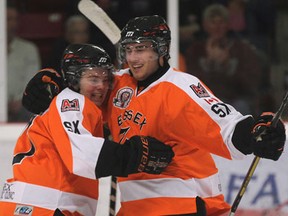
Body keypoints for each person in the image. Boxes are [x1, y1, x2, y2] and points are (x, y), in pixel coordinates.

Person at [21, 15, 286, 216]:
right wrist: (53, 81)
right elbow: (84, 88)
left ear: (160, 50)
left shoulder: (182, 88)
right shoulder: (118, 83)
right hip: (137, 207)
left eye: (142, 49)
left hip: (183, 203)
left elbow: (228, 126)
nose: (134, 58)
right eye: (129, 49)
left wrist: (256, 132)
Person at [0, 44, 174, 216]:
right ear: (74, 80)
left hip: (37, 206)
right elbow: (82, 157)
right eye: (93, 79)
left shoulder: (71, 106)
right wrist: (135, 155)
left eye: (106, 80)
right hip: (44, 207)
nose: (101, 86)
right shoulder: (71, 101)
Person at [185, 4, 268, 116]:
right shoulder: (195, 51)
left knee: (241, 107)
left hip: (235, 101)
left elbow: (251, 85)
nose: (217, 27)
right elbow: (190, 84)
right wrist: (211, 64)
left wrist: (227, 65)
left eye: (221, 22)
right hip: (205, 102)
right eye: (213, 22)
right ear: (205, 25)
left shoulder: (242, 49)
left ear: (228, 24)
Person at [7, 1, 41, 122]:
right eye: (8, 19)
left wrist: (20, 100)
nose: (13, 24)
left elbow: (32, 79)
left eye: (15, 19)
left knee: (34, 109)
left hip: (20, 105)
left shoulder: (28, 49)